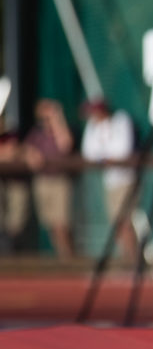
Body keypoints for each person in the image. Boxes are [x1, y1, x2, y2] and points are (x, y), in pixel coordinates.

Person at [80, 98, 139, 261]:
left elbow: (122, 151)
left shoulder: (121, 120)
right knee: (117, 223)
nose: (91, 116)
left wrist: (103, 156)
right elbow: (89, 153)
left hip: (126, 180)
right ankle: (128, 259)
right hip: (110, 182)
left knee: (124, 222)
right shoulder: (94, 127)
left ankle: (133, 260)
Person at [23, 99, 76, 259]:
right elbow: (26, 150)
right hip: (42, 181)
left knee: (61, 224)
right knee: (51, 224)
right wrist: (30, 154)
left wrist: (57, 118)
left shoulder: (62, 130)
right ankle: (62, 257)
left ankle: (68, 258)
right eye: (43, 117)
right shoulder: (36, 134)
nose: (45, 120)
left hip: (59, 180)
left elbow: (65, 144)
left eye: (48, 116)